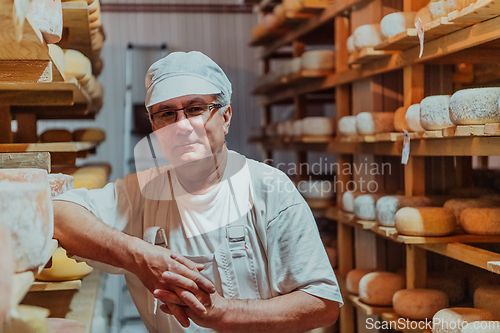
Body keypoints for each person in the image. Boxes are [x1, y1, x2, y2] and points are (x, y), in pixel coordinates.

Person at [53, 51, 343, 333]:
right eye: (166, 114)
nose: (182, 126)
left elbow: (323, 303)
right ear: (154, 127)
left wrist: (224, 314)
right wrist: (139, 256)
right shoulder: (140, 193)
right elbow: (57, 214)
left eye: (195, 109)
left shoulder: (270, 190)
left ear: (225, 117)